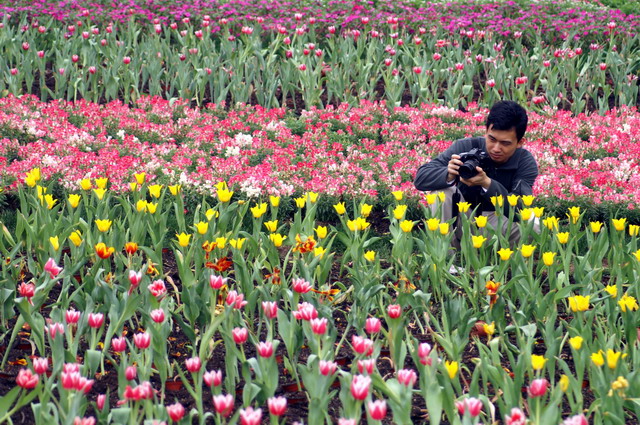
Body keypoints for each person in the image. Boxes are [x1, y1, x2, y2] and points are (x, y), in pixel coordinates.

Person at [414, 100, 538, 246]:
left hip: (497, 226)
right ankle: (446, 257)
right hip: (461, 221)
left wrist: (487, 184)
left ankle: (498, 254)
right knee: (441, 193)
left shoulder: (524, 160)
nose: (496, 148)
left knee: (534, 224)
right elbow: (420, 178)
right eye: (492, 139)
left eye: (505, 143)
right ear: (486, 131)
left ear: (519, 142)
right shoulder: (466, 147)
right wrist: (448, 173)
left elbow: (520, 207)